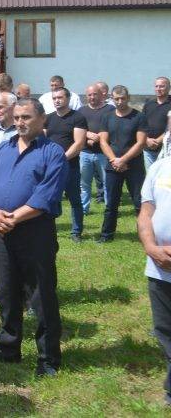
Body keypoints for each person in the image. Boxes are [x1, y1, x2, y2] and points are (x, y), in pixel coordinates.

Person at [0, 97, 66, 377]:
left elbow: (46, 194)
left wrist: (12, 218)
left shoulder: (52, 153)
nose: (20, 123)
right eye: (16, 118)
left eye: (26, 117)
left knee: (41, 294)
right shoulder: (2, 149)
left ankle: (48, 357)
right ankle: (8, 348)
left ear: (42, 120)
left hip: (34, 232)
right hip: (1, 232)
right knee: (7, 291)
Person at [138, 152, 171, 404]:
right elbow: (146, 212)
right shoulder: (160, 167)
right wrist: (150, 247)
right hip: (159, 266)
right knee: (164, 330)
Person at [98, 85, 148, 242]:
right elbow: (103, 141)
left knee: (139, 203)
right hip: (113, 166)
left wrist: (123, 160)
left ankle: (145, 236)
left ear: (128, 98)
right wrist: (114, 160)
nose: (120, 102)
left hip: (134, 166)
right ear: (112, 98)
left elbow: (141, 143)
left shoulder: (139, 117)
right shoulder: (107, 117)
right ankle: (106, 235)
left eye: (123, 98)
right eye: (116, 98)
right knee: (111, 203)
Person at [44, 87, 87, 241]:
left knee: (75, 199)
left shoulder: (77, 118)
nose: (57, 100)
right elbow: (42, 140)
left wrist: (61, 159)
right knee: (50, 198)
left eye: (60, 97)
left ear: (68, 98)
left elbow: (79, 143)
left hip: (70, 166)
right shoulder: (48, 118)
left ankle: (76, 232)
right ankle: (49, 230)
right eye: (54, 98)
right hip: (50, 168)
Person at [79, 83, 114, 213]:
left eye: (95, 94)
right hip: (85, 152)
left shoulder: (110, 109)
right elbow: (77, 129)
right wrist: (87, 134)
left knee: (107, 182)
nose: (92, 97)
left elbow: (113, 127)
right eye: (89, 95)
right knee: (84, 183)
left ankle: (109, 209)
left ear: (101, 95)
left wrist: (100, 136)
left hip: (104, 153)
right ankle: (83, 209)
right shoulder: (81, 111)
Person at [143, 77, 171, 168]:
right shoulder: (149, 104)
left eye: (162, 86)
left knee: (165, 178)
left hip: (166, 149)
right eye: (156, 86)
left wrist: (158, 141)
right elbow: (142, 125)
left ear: (169, 87)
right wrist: (146, 139)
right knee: (151, 176)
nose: (158, 89)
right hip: (148, 149)